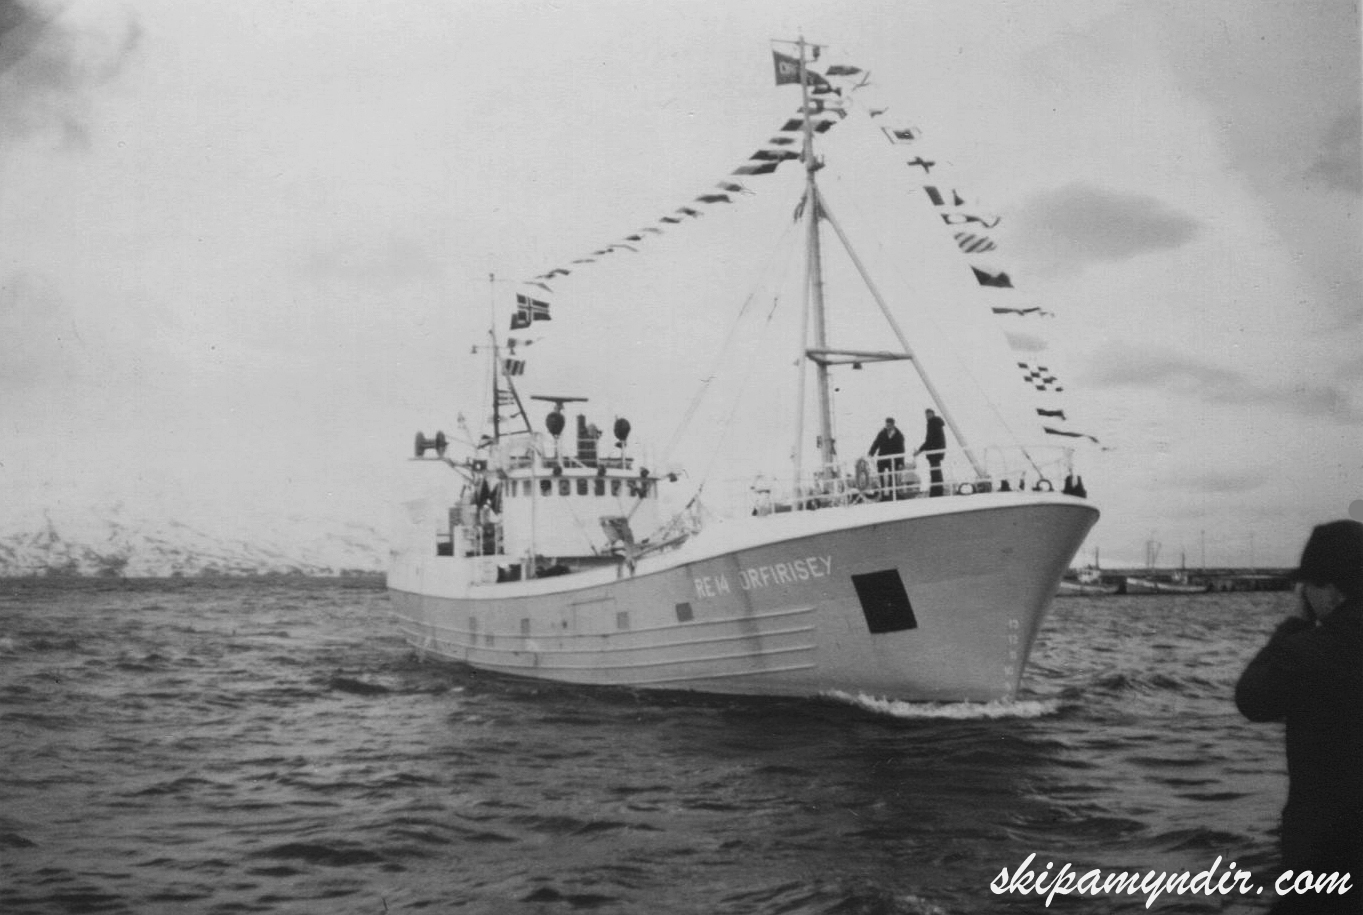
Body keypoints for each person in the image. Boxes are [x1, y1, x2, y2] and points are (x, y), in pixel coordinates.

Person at [1236, 520, 1363, 914]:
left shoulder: (1310, 650)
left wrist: (1295, 622)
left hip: (1327, 848)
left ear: (1328, 588)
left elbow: (1252, 699)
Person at [913, 408, 947, 496]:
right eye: (926, 415)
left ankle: (936, 492)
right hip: (937, 452)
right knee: (936, 471)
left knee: (935, 472)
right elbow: (933, 439)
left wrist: (919, 450)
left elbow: (930, 440)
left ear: (932, 414)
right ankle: (937, 491)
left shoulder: (933, 423)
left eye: (928, 414)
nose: (927, 416)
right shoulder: (936, 423)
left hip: (934, 452)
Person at [867, 417, 905, 491]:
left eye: (889, 425)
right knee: (880, 474)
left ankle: (892, 493)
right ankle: (882, 492)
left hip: (894, 459)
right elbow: (876, 443)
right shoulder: (882, 433)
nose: (888, 427)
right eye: (887, 425)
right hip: (882, 457)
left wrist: (901, 462)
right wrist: (870, 453)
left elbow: (901, 449)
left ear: (893, 425)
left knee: (892, 476)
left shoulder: (899, 435)